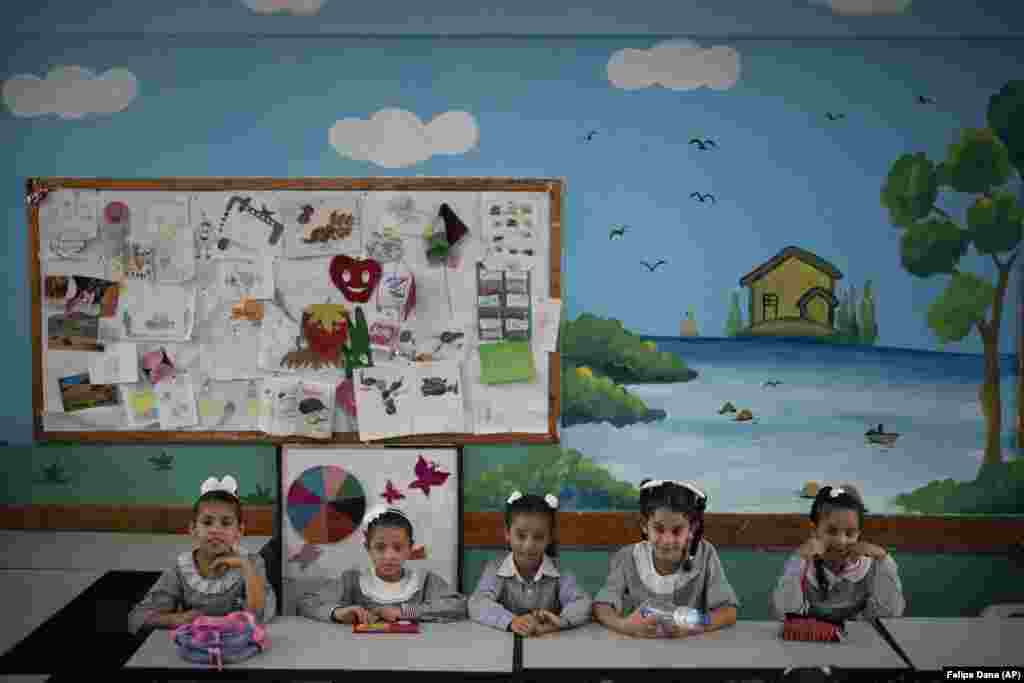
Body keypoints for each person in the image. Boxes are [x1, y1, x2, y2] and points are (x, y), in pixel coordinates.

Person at [127, 475, 277, 635]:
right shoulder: (181, 569)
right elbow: (137, 617)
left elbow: (258, 616)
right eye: (207, 522)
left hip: (238, 648)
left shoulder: (253, 563)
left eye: (226, 523)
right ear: (193, 529)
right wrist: (177, 619)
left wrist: (245, 567)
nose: (215, 530)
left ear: (239, 532)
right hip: (196, 649)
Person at [592, 479, 739, 638]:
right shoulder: (628, 557)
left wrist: (695, 624)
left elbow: (728, 611)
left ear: (692, 528)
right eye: (659, 529)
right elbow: (602, 605)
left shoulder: (706, 555)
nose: (667, 540)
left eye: (677, 531)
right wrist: (625, 626)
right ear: (644, 525)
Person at [297, 505, 466, 624]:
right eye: (379, 547)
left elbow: (457, 605)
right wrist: (338, 613)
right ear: (368, 548)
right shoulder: (352, 580)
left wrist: (403, 612)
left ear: (410, 549)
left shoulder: (425, 581)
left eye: (398, 548)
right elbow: (306, 603)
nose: (389, 556)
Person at [772, 484, 905, 621]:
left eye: (850, 533)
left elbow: (891, 613)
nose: (841, 541)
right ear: (814, 531)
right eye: (831, 531)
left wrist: (883, 558)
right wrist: (798, 559)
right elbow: (783, 613)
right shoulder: (803, 566)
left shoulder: (869, 568)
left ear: (858, 534)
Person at [469, 491, 592, 636]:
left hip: (550, 643)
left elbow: (583, 603)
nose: (528, 545)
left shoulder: (561, 570)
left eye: (538, 537)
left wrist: (559, 621)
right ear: (508, 533)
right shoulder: (495, 568)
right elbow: (477, 603)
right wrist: (512, 621)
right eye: (521, 536)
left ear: (550, 538)